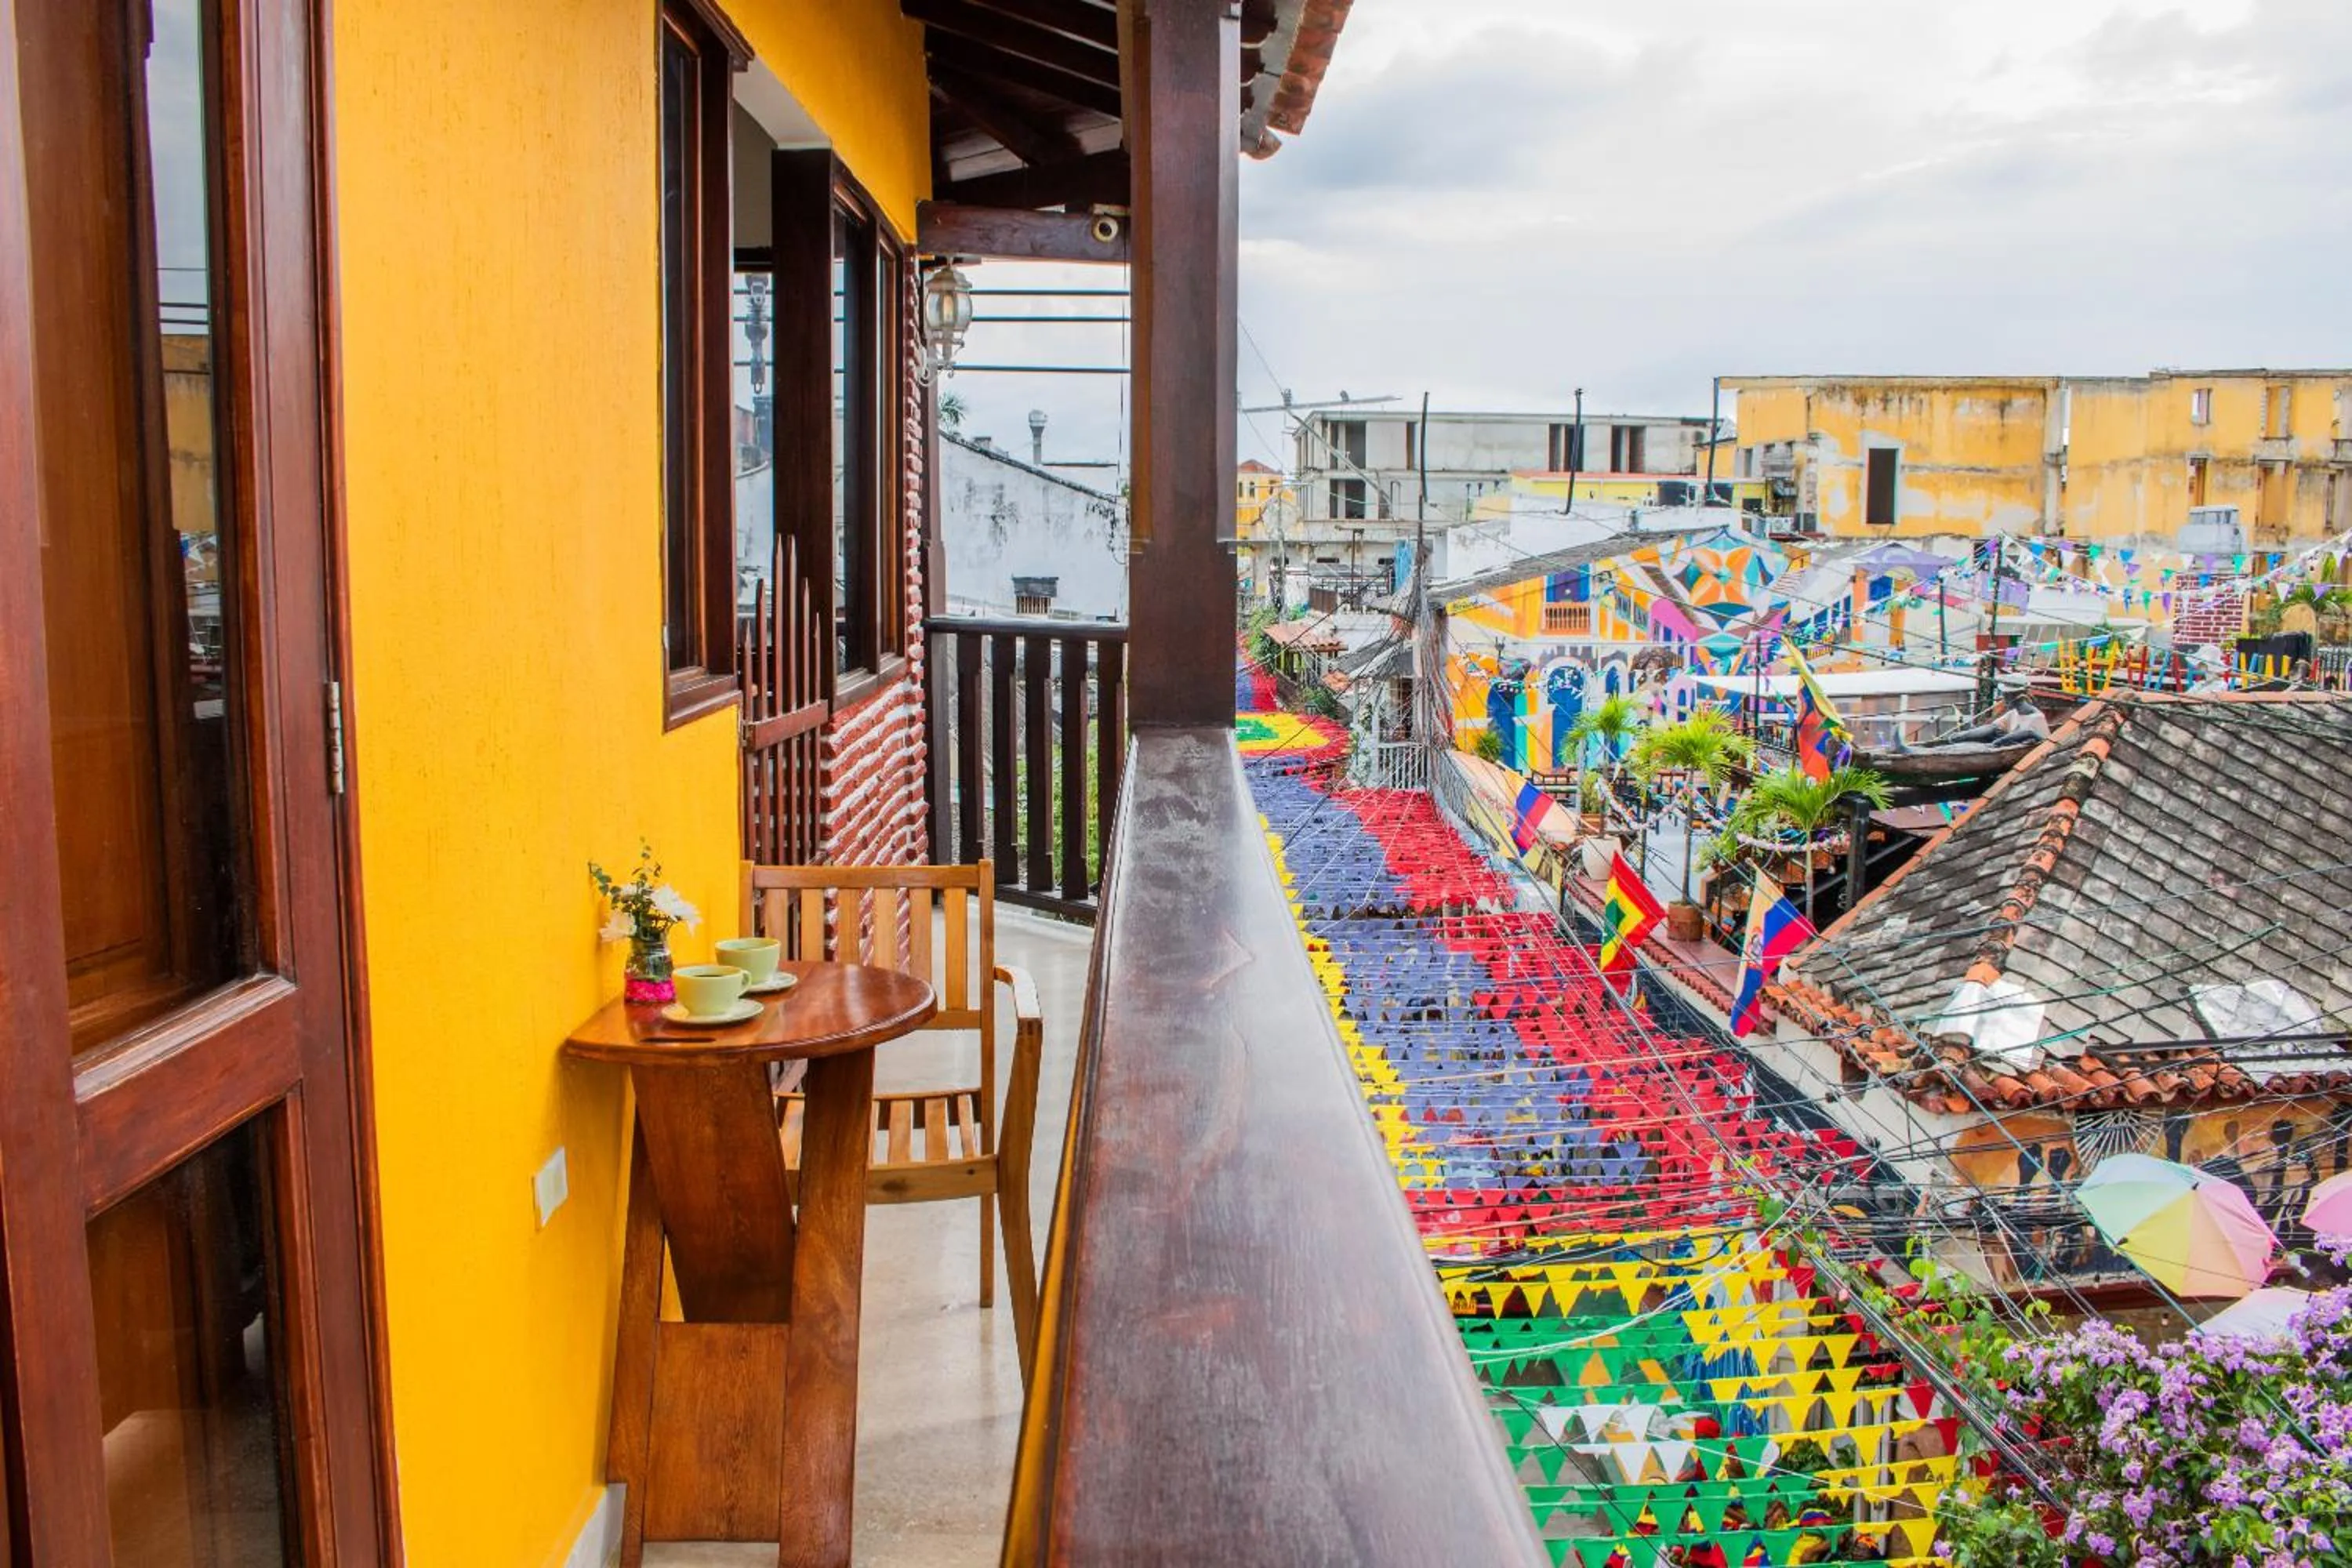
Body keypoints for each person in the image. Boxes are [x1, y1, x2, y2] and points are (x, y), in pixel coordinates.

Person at [1906, 691, 2047, 751]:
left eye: (2006, 697)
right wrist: (1964, 735)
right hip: (2000, 742)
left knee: (1967, 748)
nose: (2003, 701)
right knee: (1985, 732)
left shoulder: (2036, 718)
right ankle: (1949, 741)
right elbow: (1993, 728)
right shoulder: (2013, 713)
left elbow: (2030, 734)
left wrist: (1996, 744)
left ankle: (1945, 745)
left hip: (2010, 746)